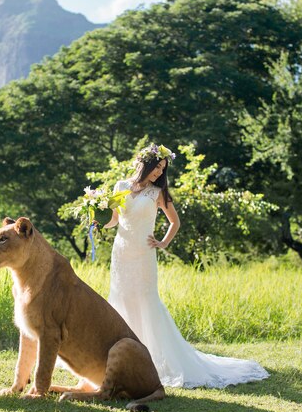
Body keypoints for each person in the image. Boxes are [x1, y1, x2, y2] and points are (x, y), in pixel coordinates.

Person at [102, 143, 269, 388]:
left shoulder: (157, 192)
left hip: (144, 255)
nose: (159, 173)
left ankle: (155, 360)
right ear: (145, 164)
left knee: (146, 302)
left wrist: (162, 243)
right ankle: (121, 357)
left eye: (162, 169)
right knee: (122, 300)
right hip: (121, 253)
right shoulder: (121, 187)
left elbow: (174, 222)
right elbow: (114, 221)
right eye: (157, 167)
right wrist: (97, 221)